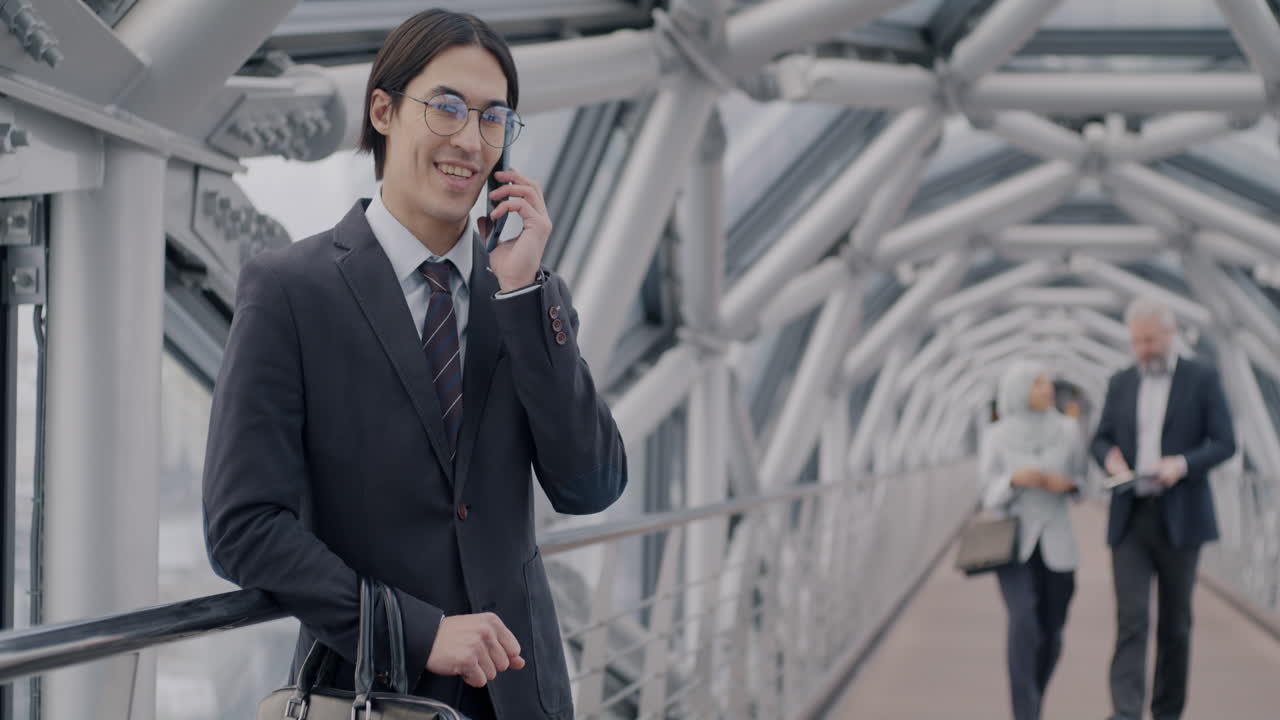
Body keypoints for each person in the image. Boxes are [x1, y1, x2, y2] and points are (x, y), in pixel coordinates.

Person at [201, 10, 627, 720]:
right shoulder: (290, 291)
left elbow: (591, 485)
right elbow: (244, 526)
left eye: (494, 119)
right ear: (384, 110)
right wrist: (417, 633)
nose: (470, 139)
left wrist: (525, 295)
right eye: (448, 107)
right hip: (370, 694)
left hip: (524, 699)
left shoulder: (522, 294)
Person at [1091, 297, 1235, 720]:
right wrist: (1110, 459)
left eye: (1150, 340)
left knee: (1176, 624)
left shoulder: (1202, 379)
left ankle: (1167, 712)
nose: (1143, 350)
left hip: (1181, 516)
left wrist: (1182, 465)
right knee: (1132, 619)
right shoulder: (1120, 382)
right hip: (1131, 516)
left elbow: (1225, 442)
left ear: (1169, 335)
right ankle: (1125, 713)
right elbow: (1099, 438)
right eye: (1137, 342)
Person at [979, 361, 1085, 720]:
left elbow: (1085, 481)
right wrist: (1012, 482)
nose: (1047, 388)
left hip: (1058, 542)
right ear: (1018, 389)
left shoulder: (1069, 430)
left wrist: (1067, 486)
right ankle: (1025, 713)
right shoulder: (996, 435)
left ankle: (1035, 696)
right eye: (1037, 383)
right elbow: (986, 494)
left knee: (1052, 632)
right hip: (1014, 544)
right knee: (1023, 620)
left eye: (1046, 382)